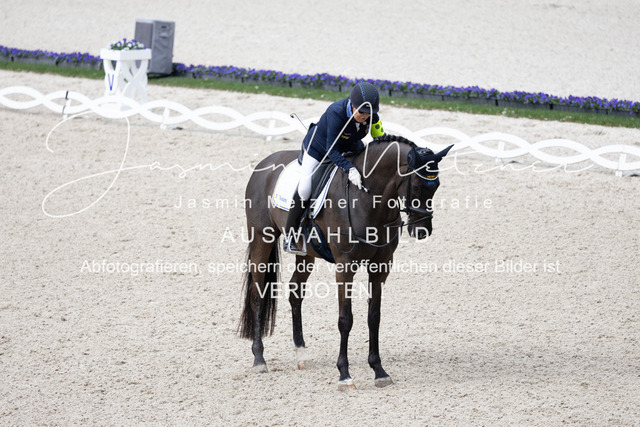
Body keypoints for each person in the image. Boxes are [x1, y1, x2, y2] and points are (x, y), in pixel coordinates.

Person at [284, 81, 386, 254]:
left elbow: (381, 139)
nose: (365, 116)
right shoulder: (336, 112)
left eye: (368, 113)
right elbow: (331, 150)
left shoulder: (371, 115)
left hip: (350, 146)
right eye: (361, 112)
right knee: (305, 189)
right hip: (319, 149)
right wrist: (349, 168)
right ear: (352, 105)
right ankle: (290, 236)